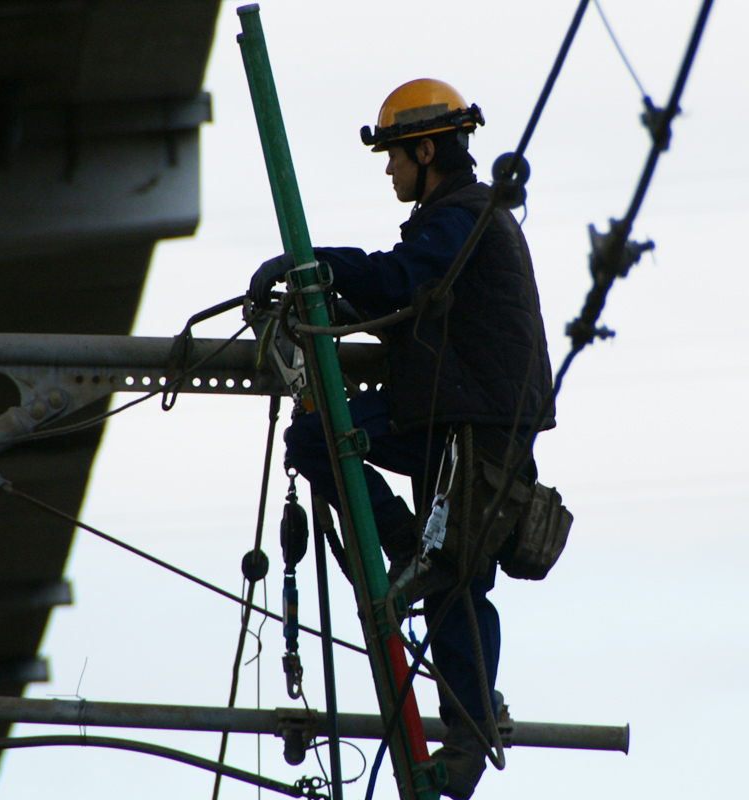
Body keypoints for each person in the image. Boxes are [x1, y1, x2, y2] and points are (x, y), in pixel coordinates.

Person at [248, 78, 555, 800]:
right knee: (445, 575)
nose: (388, 170)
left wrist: (316, 264)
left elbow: (402, 278)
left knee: (445, 573)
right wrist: (338, 291)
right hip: (452, 417)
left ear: (425, 150)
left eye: (393, 156)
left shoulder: (464, 216)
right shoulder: (460, 219)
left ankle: (465, 721)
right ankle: (418, 560)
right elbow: (406, 302)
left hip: (469, 425)